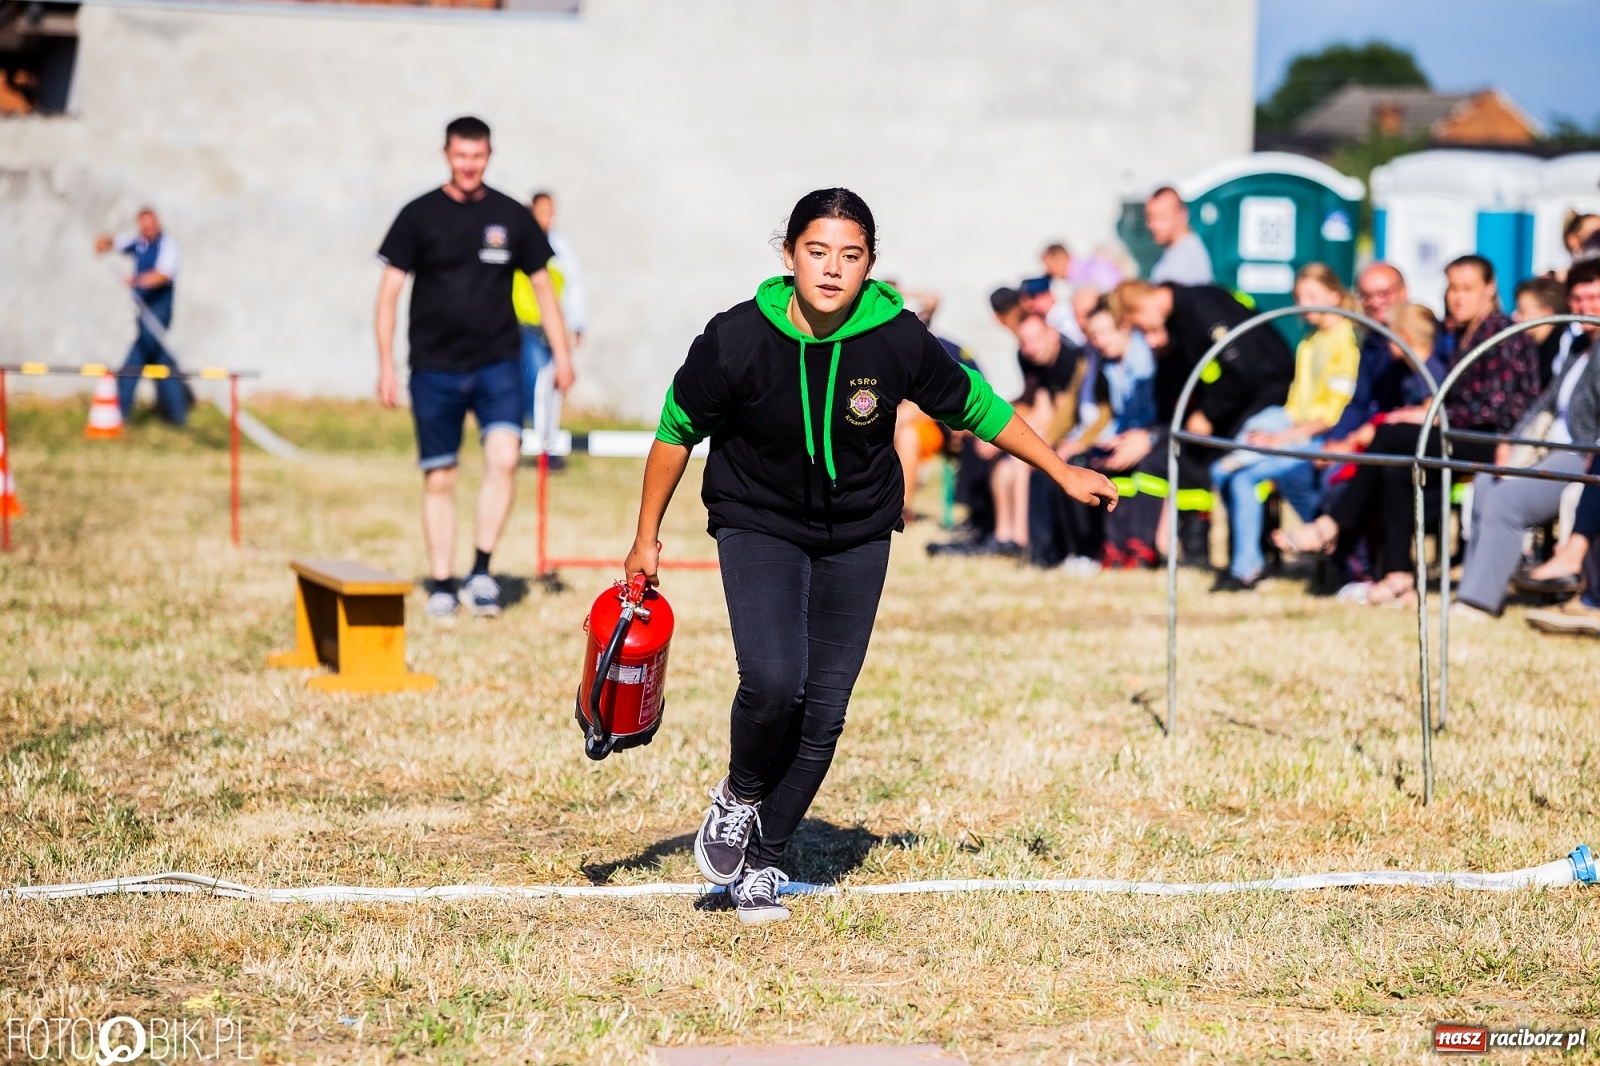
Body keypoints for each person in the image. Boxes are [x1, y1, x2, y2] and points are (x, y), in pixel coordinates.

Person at [624, 189, 1116, 924]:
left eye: (849, 256)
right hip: (756, 520)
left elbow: (976, 406)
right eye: (816, 252)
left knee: (823, 711)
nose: (831, 269)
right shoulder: (734, 337)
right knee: (772, 681)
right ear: (788, 256)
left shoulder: (897, 338)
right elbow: (675, 430)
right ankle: (739, 793)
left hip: (856, 530)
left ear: (870, 266)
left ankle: (764, 862)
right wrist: (645, 538)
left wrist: (1059, 469)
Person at [374, 116, 574, 618]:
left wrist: (563, 357)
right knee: (439, 477)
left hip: (496, 363)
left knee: (504, 458)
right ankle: (442, 582)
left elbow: (545, 289)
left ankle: (481, 572)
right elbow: (389, 293)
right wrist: (384, 364)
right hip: (434, 368)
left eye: (478, 156)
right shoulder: (418, 215)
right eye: (461, 156)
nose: (469, 165)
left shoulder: (511, 216)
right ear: (447, 154)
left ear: (489, 155)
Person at [1274, 255, 1542, 606]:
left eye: (1467, 289)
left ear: (1490, 288)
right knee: (1393, 466)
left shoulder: (1500, 333)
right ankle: (1398, 575)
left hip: (1497, 441)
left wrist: (1430, 413)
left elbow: (1497, 407)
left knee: (1390, 435)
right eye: (1452, 289)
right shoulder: (1462, 331)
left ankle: (1332, 527)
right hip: (1462, 433)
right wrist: (1428, 411)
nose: (1457, 297)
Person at [1452, 258, 1600, 620]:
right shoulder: (1579, 346)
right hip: (1548, 446)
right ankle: (1476, 586)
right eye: (1577, 299)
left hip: (1579, 454)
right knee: (1487, 482)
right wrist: (1511, 441)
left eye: (1593, 298)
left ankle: (1479, 603)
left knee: (1509, 501)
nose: (1584, 307)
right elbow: (1545, 403)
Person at [1115, 278, 1296, 565]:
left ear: (1141, 305)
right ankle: (1216, 556)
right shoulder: (1179, 319)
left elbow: (1242, 368)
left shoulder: (1200, 304)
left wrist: (1209, 413)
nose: (1149, 339)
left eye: (1142, 326)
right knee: (1193, 460)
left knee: (1237, 471)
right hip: (1238, 402)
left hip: (1267, 397)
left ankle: (1254, 560)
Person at [1208, 264, 1360, 591]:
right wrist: (1269, 432)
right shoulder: (1310, 341)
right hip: (1296, 427)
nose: (1304, 305)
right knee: (1225, 470)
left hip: (1320, 438)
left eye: (1313, 297)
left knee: (1243, 477)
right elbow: (1296, 404)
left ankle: (1247, 567)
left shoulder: (1346, 342)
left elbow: (1332, 414)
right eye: (1299, 297)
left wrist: (1279, 438)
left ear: (1335, 295)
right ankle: (1249, 553)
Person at [94, 208, 188, 425]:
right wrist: (102, 243)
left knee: (134, 360)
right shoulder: (138, 242)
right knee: (161, 361)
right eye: (143, 226)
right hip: (142, 312)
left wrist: (136, 281)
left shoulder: (168, 246)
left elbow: (162, 275)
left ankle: (118, 412)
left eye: (150, 225)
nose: (147, 230)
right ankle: (176, 415)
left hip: (158, 312)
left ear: (158, 224)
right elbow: (113, 242)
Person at [513, 190, 587, 459]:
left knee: (547, 387)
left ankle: (543, 442)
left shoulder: (561, 248)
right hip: (523, 326)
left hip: (548, 328)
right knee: (532, 382)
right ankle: (533, 441)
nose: (548, 217)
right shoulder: (519, 242)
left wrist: (576, 324)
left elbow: (572, 287)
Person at [1513, 276, 1573, 389]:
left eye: (1522, 311)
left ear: (1546, 313)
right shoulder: (1530, 347)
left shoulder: (1562, 350)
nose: (1515, 317)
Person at [1145, 187, 1213, 286]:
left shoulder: (1185, 259)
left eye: (1161, 217)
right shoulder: (1176, 249)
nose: (1153, 225)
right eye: (1150, 217)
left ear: (1182, 215)